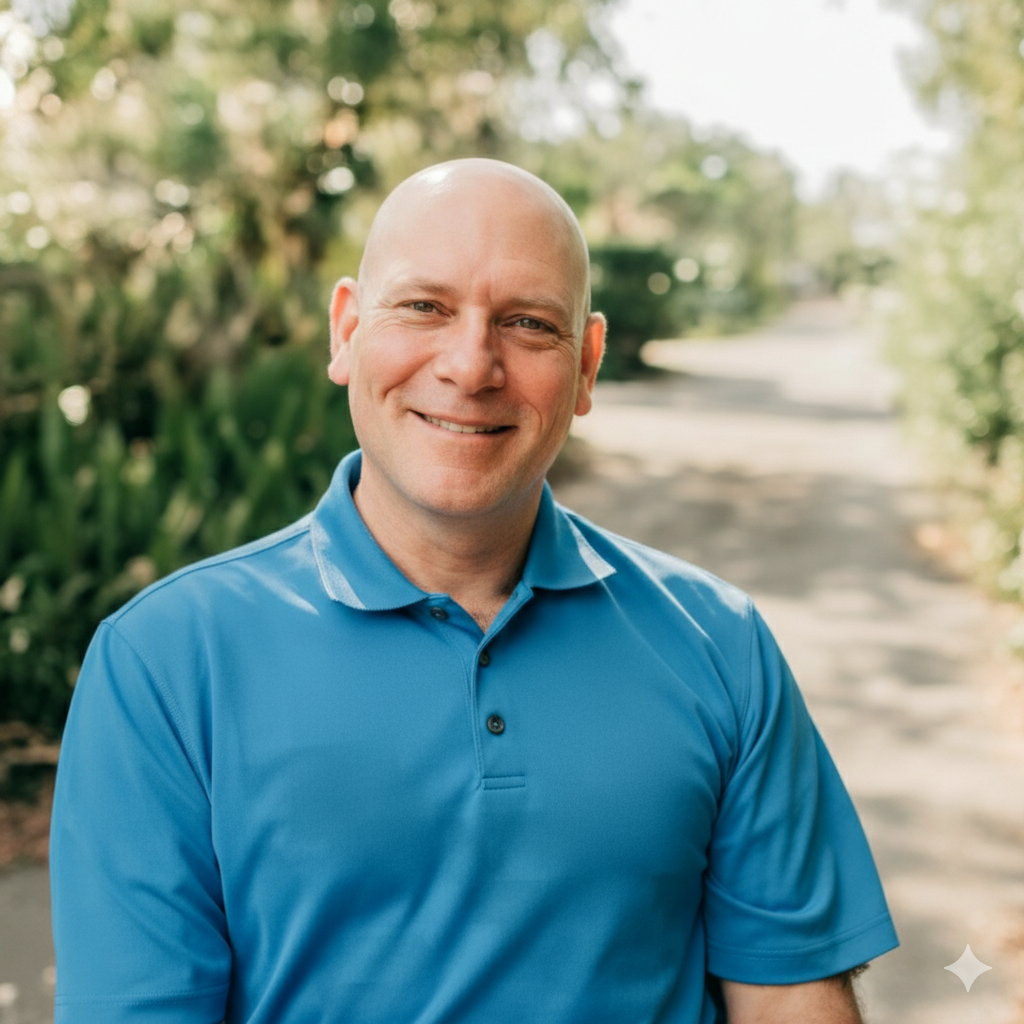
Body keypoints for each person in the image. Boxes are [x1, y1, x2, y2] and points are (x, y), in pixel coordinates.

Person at [50, 158, 898, 1023]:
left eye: (528, 324)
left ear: (587, 365)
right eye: (424, 307)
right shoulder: (163, 662)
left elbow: (790, 995)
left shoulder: (722, 644)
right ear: (346, 331)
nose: (470, 365)